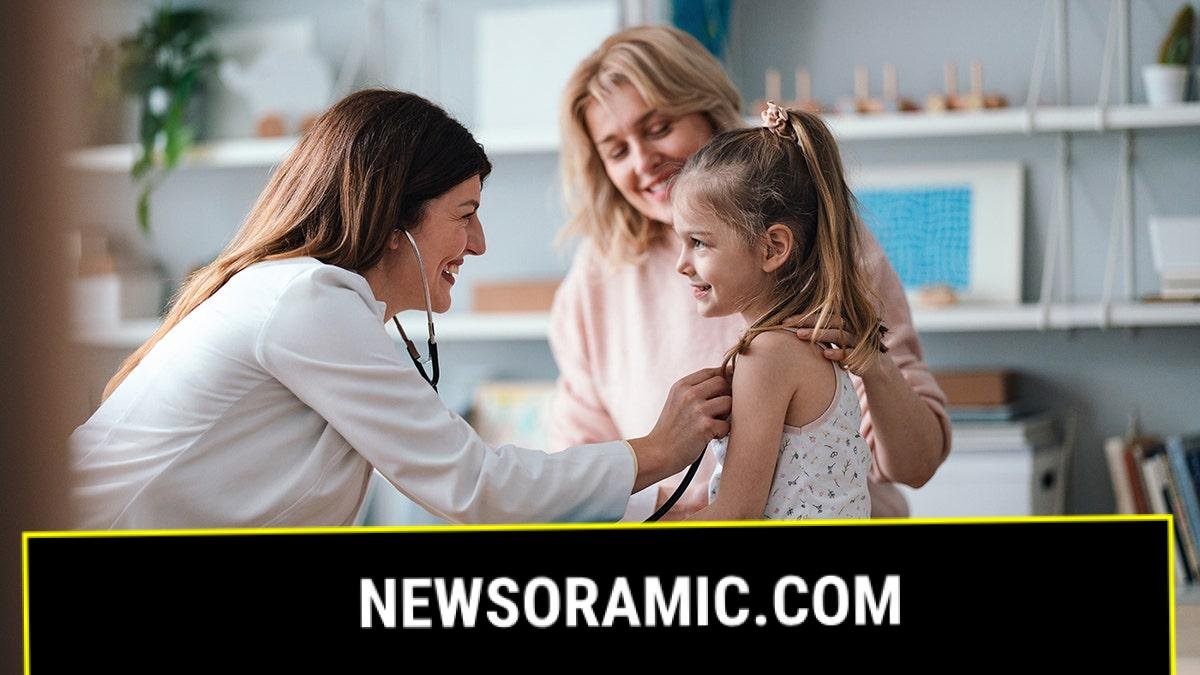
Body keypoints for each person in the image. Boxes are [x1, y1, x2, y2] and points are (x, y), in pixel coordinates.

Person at [70, 89, 732, 529]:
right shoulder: (305, 301)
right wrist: (660, 446)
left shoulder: (313, 305)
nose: (478, 243)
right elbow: (475, 486)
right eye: (465, 216)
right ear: (395, 221)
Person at [551, 26, 950, 520]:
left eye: (657, 129)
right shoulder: (595, 279)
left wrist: (875, 363)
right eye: (616, 150)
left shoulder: (825, 248)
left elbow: (916, 464)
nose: (643, 161)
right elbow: (578, 473)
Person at [672, 103, 880, 520]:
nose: (682, 263)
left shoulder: (766, 356)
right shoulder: (798, 346)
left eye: (699, 242)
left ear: (773, 248)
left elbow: (735, 513)